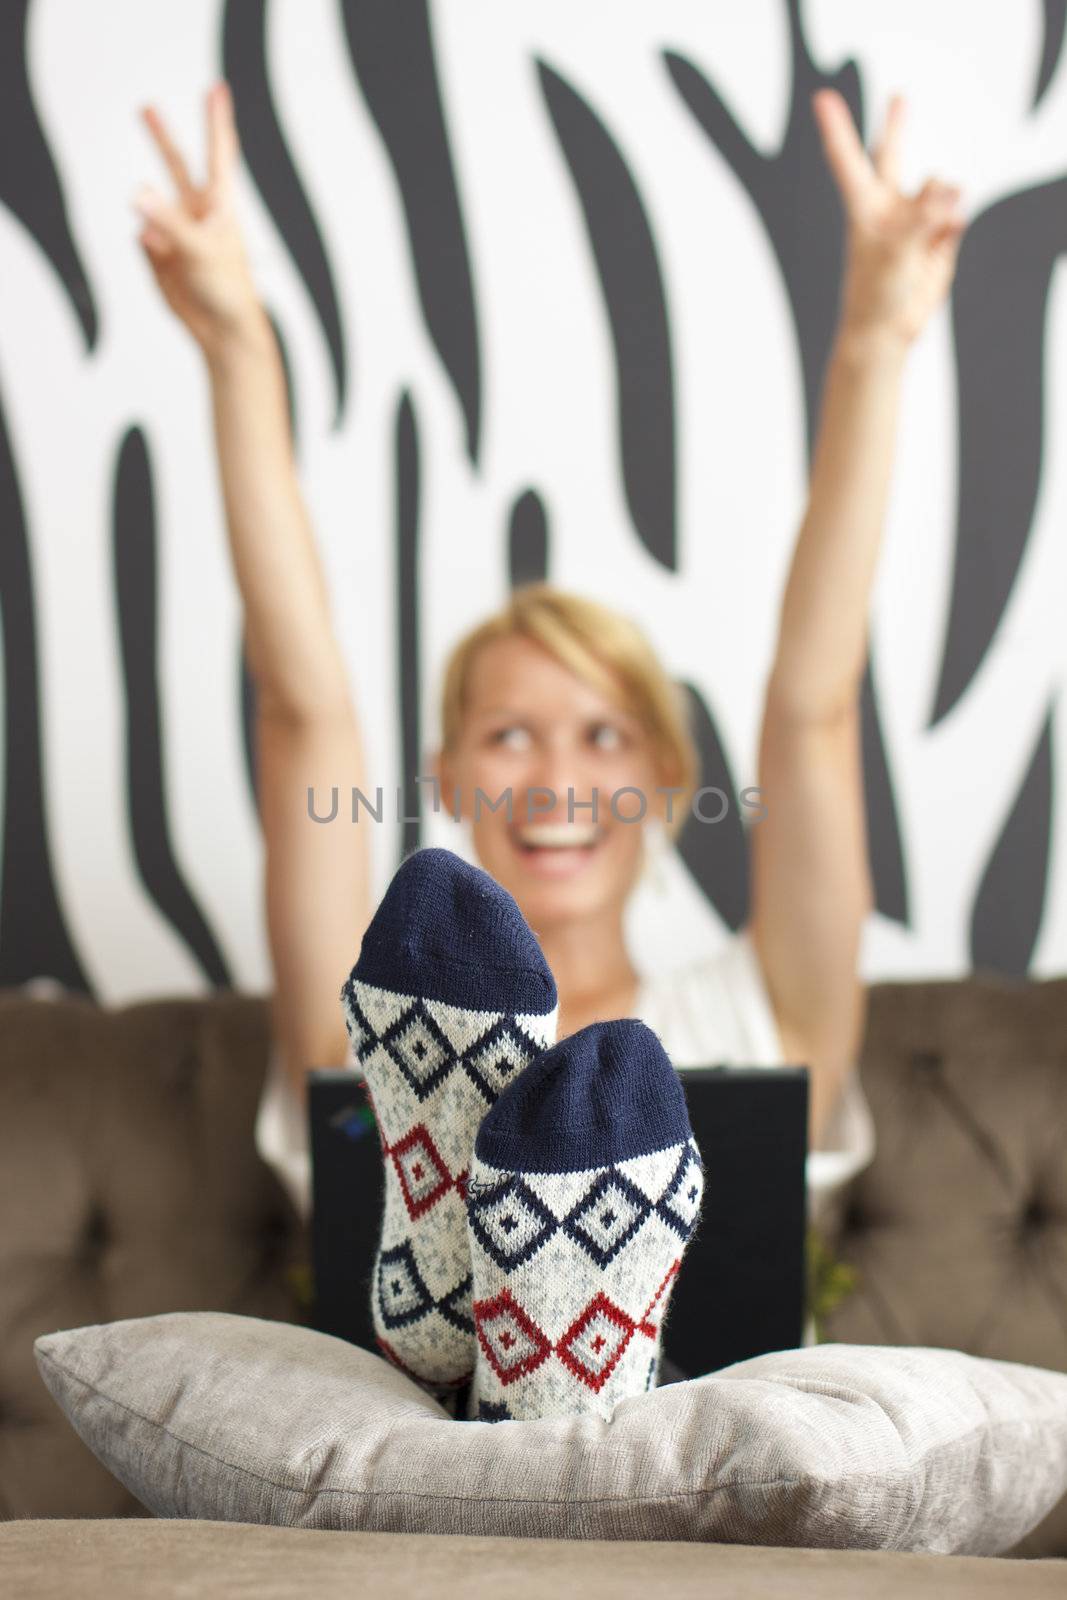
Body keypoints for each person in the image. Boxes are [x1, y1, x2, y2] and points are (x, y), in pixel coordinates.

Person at [133, 80, 966, 1239]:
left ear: (668, 781)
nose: (557, 779)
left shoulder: (756, 1013)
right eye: (508, 736)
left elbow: (813, 712)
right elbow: (301, 711)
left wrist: (874, 338)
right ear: (452, 776)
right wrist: (236, 346)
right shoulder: (384, 1036)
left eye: (603, 735)